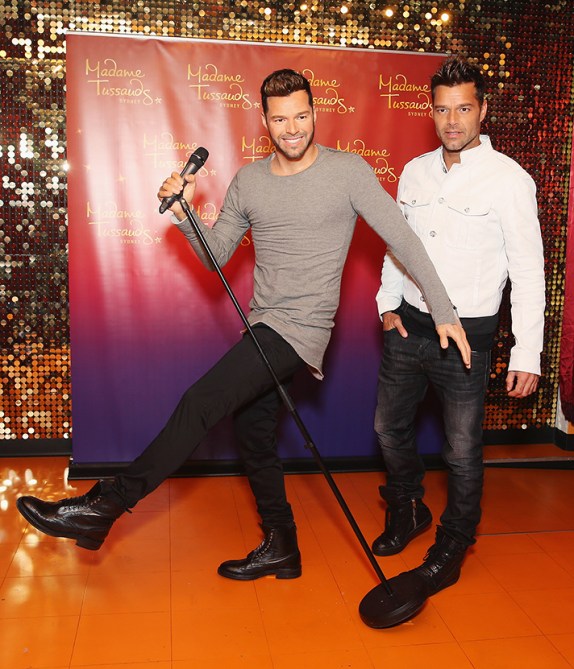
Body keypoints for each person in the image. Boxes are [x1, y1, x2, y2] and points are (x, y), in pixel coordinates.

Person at [17, 69, 470, 581]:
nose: (292, 129)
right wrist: (184, 213)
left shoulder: (348, 172)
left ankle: (104, 505)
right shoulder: (249, 182)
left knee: (200, 401)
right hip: (261, 326)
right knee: (253, 433)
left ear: (315, 113)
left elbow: (404, 239)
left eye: (301, 116)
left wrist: (443, 310)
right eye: (280, 119)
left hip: (302, 331)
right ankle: (282, 546)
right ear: (265, 121)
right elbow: (217, 257)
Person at [371, 56, 545, 595]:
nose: (452, 121)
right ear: (431, 111)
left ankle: (454, 541)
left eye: (464, 109)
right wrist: (388, 303)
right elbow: (399, 246)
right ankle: (408, 507)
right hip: (409, 328)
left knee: (463, 451)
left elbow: (529, 271)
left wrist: (527, 354)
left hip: (467, 338)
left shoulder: (510, 180)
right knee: (387, 428)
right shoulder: (414, 171)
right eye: (443, 109)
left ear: (482, 110)